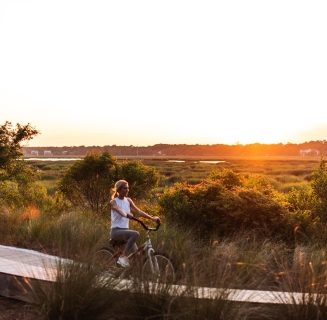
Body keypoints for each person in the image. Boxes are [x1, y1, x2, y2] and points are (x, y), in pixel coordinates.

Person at [110, 179, 160, 268]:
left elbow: (139, 212)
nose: (127, 190)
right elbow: (118, 210)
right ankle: (123, 257)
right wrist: (126, 215)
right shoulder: (114, 201)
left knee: (137, 256)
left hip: (125, 232)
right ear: (119, 190)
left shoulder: (128, 200)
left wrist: (153, 218)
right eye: (125, 188)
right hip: (116, 231)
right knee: (135, 234)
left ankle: (122, 271)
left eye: (128, 188)